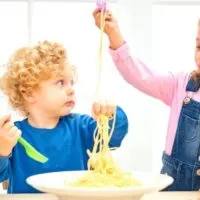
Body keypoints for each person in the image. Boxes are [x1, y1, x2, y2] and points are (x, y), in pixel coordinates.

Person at [93, 8, 200, 191]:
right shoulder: (181, 85)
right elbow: (138, 74)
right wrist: (114, 34)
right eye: (199, 46)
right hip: (173, 191)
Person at [0, 41, 128, 193]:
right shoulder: (14, 136)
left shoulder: (81, 126)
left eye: (71, 83)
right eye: (60, 82)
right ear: (28, 93)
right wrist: (2, 150)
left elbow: (114, 135)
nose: (71, 90)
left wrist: (111, 114)